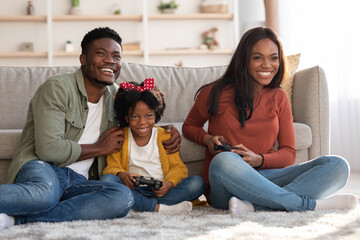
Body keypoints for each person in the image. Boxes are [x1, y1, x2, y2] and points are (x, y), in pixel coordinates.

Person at [0, 27, 181, 230]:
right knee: (45, 195)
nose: (110, 61)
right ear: (83, 59)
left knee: (121, 197)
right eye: (101, 53)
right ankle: (29, 209)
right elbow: (49, 150)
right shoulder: (58, 88)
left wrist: (163, 128)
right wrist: (100, 148)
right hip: (43, 167)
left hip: (80, 182)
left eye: (116, 56)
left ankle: (14, 219)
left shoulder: (117, 96)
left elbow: (136, 121)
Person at [182, 27, 358, 214]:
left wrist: (259, 160)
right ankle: (308, 205)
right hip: (227, 184)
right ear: (244, 60)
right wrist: (208, 139)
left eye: (273, 58)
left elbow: (289, 153)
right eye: (257, 57)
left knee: (338, 166)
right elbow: (189, 126)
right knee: (223, 160)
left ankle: (254, 207)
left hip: (266, 176)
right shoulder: (214, 92)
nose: (267, 65)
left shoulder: (279, 97)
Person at [101, 79, 205, 213]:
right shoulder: (120, 137)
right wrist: (122, 175)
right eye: (135, 117)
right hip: (133, 189)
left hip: (161, 190)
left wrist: (169, 184)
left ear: (156, 114)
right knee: (107, 180)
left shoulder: (165, 136)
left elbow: (178, 168)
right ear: (126, 118)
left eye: (148, 116)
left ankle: (136, 204)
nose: (142, 122)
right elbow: (111, 167)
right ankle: (158, 208)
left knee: (197, 183)